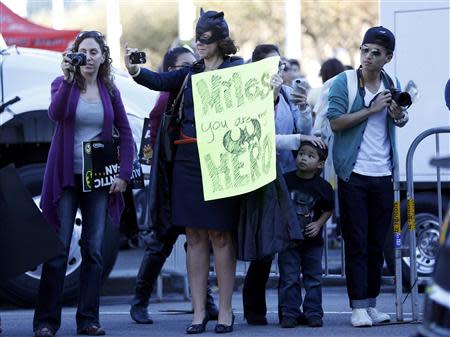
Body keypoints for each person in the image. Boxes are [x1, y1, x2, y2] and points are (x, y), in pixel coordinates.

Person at [125, 10, 241, 334]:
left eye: (205, 39)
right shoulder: (190, 73)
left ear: (220, 41)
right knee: (194, 236)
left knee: (221, 235)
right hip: (188, 159)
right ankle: (198, 312)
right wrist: (134, 69)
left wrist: (271, 90)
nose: (199, 44)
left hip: (221, 158)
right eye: (197, 38)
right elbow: (158, 81)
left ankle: (227, 312)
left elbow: (257, 101)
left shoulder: (237, 70)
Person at [34, 31, 134, 337]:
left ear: (103, 57)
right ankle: (46, 322)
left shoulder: (110, 91)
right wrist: (67, 78)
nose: (87, 58)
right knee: (58, 250)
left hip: (98, 181)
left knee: (93, 250)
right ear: (73, 56)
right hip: (66, 177)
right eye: (82, 52)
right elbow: (56, 113)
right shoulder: (62, 85)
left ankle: (88, 319)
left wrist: (124, 174)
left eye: (93, 52)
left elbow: (125, 133)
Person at [129, 47, 219, 324]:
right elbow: (153, 143)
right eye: (185, 65)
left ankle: (204, 301)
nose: (193, 69)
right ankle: (139, 301)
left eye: (194, 63)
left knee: (198, 241)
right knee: (162, 242)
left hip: (193, 175)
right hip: (171, 179)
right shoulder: (167, 99)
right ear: (171, 71)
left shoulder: (199, 94)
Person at [326, 26, 409, 327]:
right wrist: (370, 109)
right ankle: (357, 306)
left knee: (376, 243)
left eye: (376, 52)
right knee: (357, 241)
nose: (368, 57)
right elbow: (335, 122)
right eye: (364, 50)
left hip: (383, 172)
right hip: (354, 173)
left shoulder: (393, 82)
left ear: (388, 57)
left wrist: (397, 114)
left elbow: (398, 121)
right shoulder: (344, 82)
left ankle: (371, 303)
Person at [242, 44, 323, 326]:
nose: (279, 71)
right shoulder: (251, 97)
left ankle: (288, 312)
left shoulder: (288, 94)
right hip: (261, 176)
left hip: (287, 176)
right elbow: (262, 137)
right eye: (272, 65)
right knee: (265, 245)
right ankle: (254, 309)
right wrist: (298, 140)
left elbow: (305, 130)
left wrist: (302, 107)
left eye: (281, 65)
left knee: (289, 244)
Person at [277, 141, 333, 328]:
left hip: (312, 242)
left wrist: (318, 224)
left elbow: (328, 210)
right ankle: (290, 313)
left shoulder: (323, 186)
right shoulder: (286, 180)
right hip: (288, 240)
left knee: (314, 278)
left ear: (319, 164)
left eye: (310, 156)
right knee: (289, 278)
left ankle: (313, 313)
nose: (304, 158)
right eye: (301, 154)